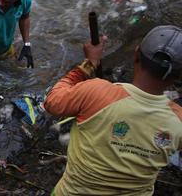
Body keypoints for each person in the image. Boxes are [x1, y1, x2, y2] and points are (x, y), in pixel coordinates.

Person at [44, 26, 182, 195]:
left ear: (136, 55)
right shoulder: (178, 120)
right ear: (179, 75)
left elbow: (52, 102)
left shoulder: (96, 91)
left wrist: (89, 64)